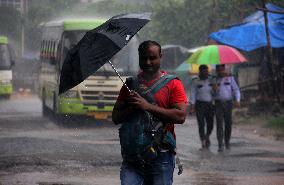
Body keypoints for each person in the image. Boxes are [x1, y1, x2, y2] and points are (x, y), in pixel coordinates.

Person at [112, 40, 187, 185]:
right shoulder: (129, 84)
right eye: (144, 58)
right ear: (139, 57)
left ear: (160, 57)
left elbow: (181, 116)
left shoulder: (173, 83)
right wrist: (133, 107)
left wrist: (147, 106)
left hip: (162, 156)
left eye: (152, 58)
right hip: (132, 158)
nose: (147, 62)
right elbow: (115, 117)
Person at [213, 64, 241, 152]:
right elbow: (208, 93)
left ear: (224, 69)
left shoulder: (230, 78)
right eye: (219, 69)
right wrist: (213, 90)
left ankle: (227, 141)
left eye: (222, 69)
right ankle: (220, 144)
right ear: (217, 70)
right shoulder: (213, 79)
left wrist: (238, 100)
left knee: (228, 123)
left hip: (228, 103)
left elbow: (236, 89)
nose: (221, 71)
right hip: (218, 104)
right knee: (219, 124)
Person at [190, 65, 214, 149]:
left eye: (207, 71)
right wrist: (192, 106)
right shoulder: (195, 81)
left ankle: (207, 136)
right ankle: (203, 141)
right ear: (200, 72)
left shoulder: (212, 80)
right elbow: (193, 94)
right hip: (200, 105)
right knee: (201, 124)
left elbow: (216, 92)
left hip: (210, 104)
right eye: (204, 72)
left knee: (210, 124)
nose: (206, 73)